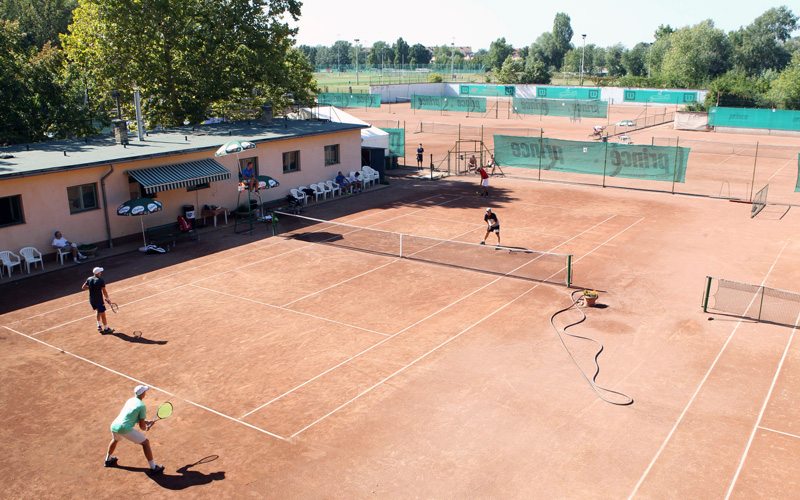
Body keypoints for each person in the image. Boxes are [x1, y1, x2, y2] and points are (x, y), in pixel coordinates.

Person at [105, 385, 164, 476]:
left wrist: (146, 422)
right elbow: (142, 427)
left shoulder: (130, 400)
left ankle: (108, 460)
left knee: (115, 440)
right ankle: (153, 468)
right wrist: (147, 427)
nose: (145, 392)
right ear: (143, 394)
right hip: (124, 428)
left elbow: (130, 417)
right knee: (146, 443)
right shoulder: (141, 406)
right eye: (145, 391)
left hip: (114, 425)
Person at [82, 266, 114, 334]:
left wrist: (91, 288)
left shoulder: (89, 279)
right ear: (98, 273)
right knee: (103, 314)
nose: (101, 273)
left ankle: (99, 325)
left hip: (91, 300)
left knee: (98, 311)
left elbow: (83, 287)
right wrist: (108, 299)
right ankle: (106, 328)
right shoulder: (100, 280)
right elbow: (104, 291)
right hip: (99, 300)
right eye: (100, 272)